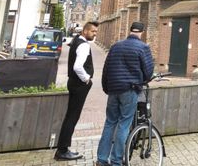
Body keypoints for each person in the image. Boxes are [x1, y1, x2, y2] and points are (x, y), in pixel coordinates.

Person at [96, 21, 153, 166]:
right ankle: (116, 161)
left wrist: (106, 88)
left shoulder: (116, 46)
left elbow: (106, 69)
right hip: (129, 89)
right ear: (141, 32)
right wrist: (143, 80)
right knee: (124, 124)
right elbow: (148, 72)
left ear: (130, 31)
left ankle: (101, 159)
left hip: (113, 89)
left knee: (110, 122)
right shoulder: (143, 47)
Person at [54, 21, 98, 160]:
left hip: (73, 82)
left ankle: (63, 148)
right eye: (92, 31)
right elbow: (78, 67)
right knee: (72, 117)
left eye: (95, 32)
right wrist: (86, 79)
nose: (94, 34)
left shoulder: (77, 41)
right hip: (79, 84)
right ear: (85, 31)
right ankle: (62, 150)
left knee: (70, 116)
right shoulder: (83, 45)